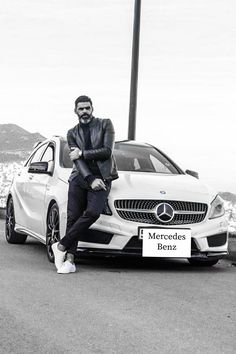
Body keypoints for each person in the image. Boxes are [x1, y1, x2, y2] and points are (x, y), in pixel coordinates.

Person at [52, 95, 118, 274]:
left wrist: (82, 153)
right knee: (73, 217)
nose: (84, 112)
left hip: (103, 176)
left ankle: (60, 246)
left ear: (92, 108)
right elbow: (76, 161)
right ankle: (70, 261)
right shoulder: (72, 133)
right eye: (81, 109)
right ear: (75, 111)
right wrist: (89, 178)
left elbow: (107, 151)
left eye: (87, 108)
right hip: (80, 178)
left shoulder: (105, 124)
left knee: (93, 212)